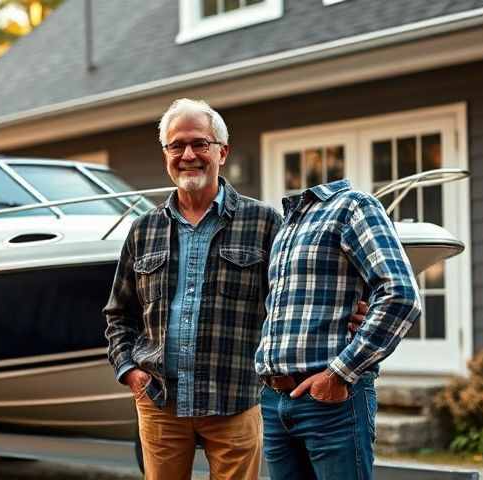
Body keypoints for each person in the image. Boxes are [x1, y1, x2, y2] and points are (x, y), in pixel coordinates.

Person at [104, 98, 366, 479]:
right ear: (165, 155)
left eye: (199, 144)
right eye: (176, 145)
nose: (188, 154)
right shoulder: (144, 229)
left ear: (222, 152)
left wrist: (352, 313)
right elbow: (118, 313)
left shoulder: (264, 222)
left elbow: (297, 298)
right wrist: (130, 370)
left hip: (237, 400)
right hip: (159, 402)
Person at [255, 179, 422, 480]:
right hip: (275, 401)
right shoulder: (285, 227)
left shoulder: (353, 206)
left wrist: (339, 374)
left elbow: (401, 295)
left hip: (332, 402)